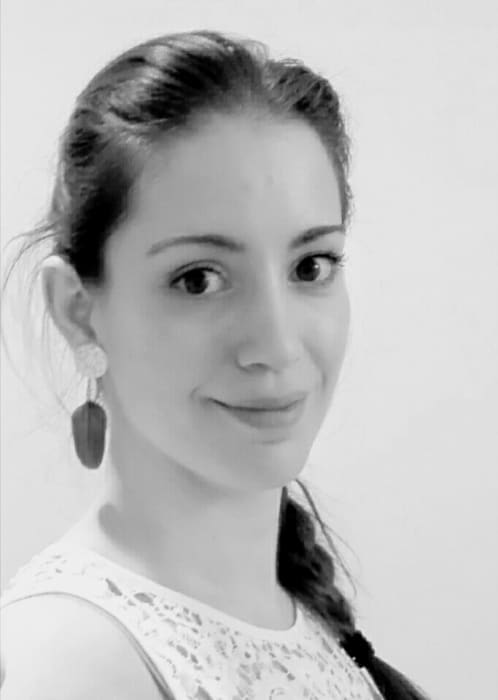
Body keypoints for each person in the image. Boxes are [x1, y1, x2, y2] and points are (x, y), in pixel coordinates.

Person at [0, 29, 431, 700]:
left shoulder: (320, 631)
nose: (277, 345)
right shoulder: (76, 661)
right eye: (199, 279)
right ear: (79, 310)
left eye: (310, 267)